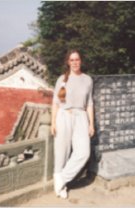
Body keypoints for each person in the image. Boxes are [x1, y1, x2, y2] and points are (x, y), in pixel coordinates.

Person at [51, 50, 95, 199]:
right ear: (68, 62)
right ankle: (61, 185)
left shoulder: (88, 79)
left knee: (84, 152)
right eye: (72, 60)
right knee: (61, 151)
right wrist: (53, 123)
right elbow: (56, 103)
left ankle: (61, 178)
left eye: (77, 59)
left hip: (81, 116)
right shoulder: (61, 79)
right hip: (64, 115)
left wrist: (91, 124)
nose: (75, 62)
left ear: (81, 61)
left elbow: (89, 103)